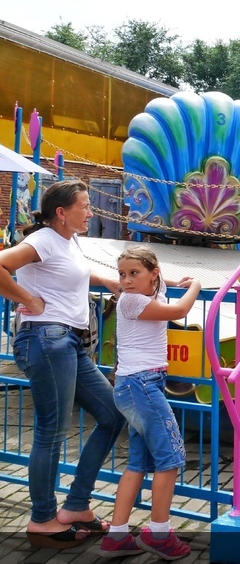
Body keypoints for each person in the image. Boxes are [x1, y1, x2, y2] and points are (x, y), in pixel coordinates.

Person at [0, 179, 124, 550]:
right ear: (62, 212)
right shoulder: (42, 240)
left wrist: (119, 283)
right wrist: (29, 300)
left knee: (113, 414)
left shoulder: (67, 242)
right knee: (51, 430)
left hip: (67, 341)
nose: (90, 212)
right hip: (46, 338)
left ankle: (75, 506)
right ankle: (42, 519)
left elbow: (80, 276)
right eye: (85, 206)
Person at [98, 244, 201, 560]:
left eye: (133, 273)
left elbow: (163, 286)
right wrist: (196, 285)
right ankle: (159, 533)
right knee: (170, 458)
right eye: (122, 274)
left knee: (138, 462)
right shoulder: (130, 301)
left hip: (138, 385)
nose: (126, 280)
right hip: (141, 386)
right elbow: (179, 311)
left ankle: (116, 536)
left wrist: (176, 282)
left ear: (152, 274)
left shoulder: (151, 290)